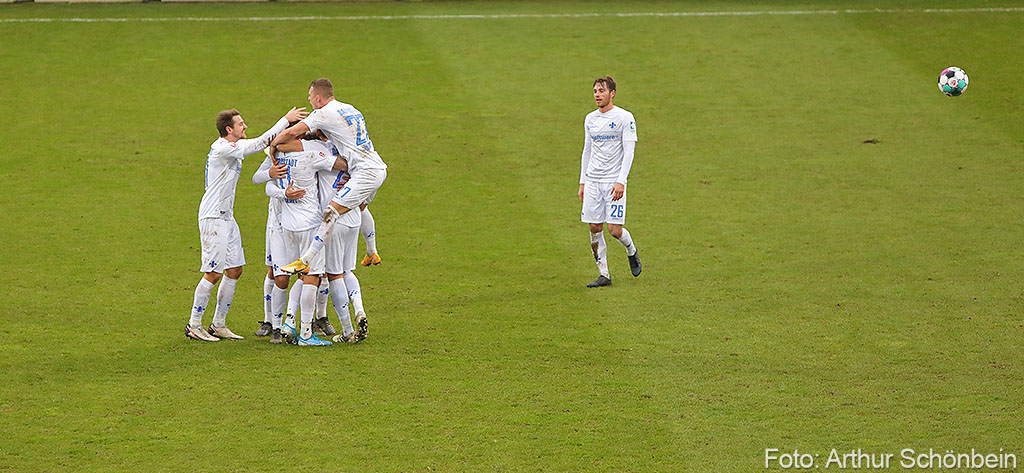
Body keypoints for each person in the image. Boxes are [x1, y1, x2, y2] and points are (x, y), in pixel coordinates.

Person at [270, 78, 388, 333]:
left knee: (330, 268)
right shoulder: (350, 110)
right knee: (360, 214)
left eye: (310, 97)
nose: (309, 101)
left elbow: (289, 136)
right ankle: (371, 252)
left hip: (350, 194)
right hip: (371, 175)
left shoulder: (319, 136)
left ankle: (337, 325)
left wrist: (273, 145)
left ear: (319, 98)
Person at [185, 106, 306, 342]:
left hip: (227, 217)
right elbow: (260, 143)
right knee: (213, 273)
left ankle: (218, 324)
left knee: (235, 269)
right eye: (241, 124)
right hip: (213, 218)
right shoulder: (223, 148)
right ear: (228, 129)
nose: (245, 126)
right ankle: (194, 324)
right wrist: (285, 120)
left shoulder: (231, 147)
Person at [269, 130, 348, 346]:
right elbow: (342, 165)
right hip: (309, 224)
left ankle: (288, 323)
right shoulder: (312, 154)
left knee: (301, 275)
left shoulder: (278, 156)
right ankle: (305, 333)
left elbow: (267, 177)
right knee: (312, 277)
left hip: (288, 225)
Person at [578, 76, 642, 288]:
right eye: (595, 91)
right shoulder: (590, 119)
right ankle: (603, 274)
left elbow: (629, 151)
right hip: (593, 181)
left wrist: (621, 181)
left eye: (601, 91)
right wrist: (582, 182)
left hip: (613, 182)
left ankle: (631, 250)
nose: (597, 95)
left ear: (612, 93)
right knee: (594, 227)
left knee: (614, 229)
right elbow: (587, 150)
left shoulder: (625, 117)